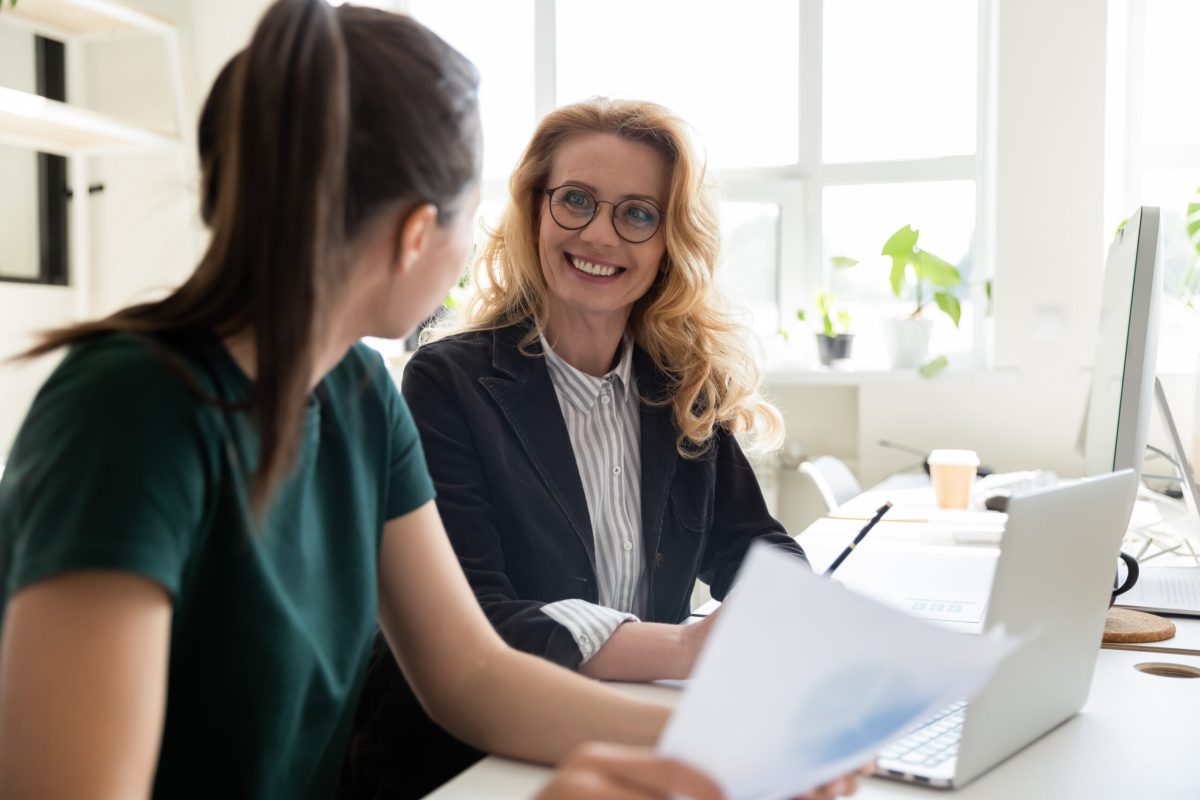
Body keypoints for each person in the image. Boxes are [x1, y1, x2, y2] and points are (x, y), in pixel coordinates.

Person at [0, 4, 765, 798]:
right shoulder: (129, 409)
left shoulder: (360, 395)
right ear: (413, 234)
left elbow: (472, 676)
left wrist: (727, 740)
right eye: (472, 216)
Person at [345, 98, 853, 799]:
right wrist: (683, 649)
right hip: (477, 759)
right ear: (534, 212)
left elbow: (754, 543)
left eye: (637, 213)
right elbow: (479, 618)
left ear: (669, 241)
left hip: (630, 731)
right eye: (576, 200)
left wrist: (780, 614)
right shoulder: (449, 382)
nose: (600, 234)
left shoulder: (682, 384)